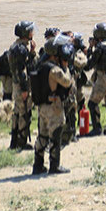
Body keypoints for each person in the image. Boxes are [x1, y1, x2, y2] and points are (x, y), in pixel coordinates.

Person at [32, 35, 74, 175]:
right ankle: (54, 166)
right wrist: (66, 67)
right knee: (55, 137)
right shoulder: (55, 70)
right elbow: (67, 82)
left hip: (42, 107)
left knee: (42, 137)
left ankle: (37, 165)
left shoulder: (41, 66)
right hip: (53, 108)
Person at [8, 21, 36, 151]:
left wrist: (31, 53)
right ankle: (21, 142)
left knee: (17, 112)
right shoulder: (20, 49)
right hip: (21, 85)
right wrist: (25, 89)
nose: (32, 32)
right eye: (30, 31)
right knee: (24, 113)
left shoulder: (16, 46)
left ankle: (14, 141)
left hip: (16, 84)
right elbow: (22, 71)